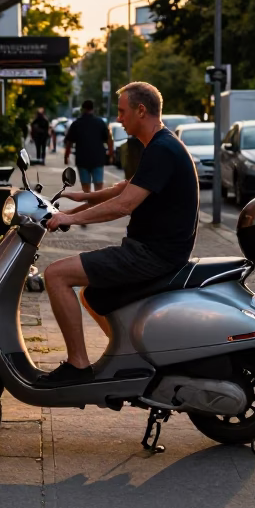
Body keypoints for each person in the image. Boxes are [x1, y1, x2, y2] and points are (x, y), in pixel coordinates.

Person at [39, 81, 199, 386]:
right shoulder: (160, 144)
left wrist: (67, 218)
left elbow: (124, 205)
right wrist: (82, 198)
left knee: (56, 275)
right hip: (151, 250)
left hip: (152, 254)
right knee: (94, 295)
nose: (119, 119)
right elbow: (127, 187)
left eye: (123, 112)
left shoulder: (162, 148)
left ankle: (78, 365)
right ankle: (129, 354)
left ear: (141, 110)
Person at [63, 99, 112, 192]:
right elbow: (109, 139)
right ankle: (97, 203)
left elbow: (69, 142)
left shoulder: (77, 124)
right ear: (93, 109)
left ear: (82, 109)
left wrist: (66, 156)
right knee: (98, 186)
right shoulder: (100, 123)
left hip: (82, 159)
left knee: (86, 188)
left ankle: (89, 203)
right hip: (97, 159)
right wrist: (111, 153)